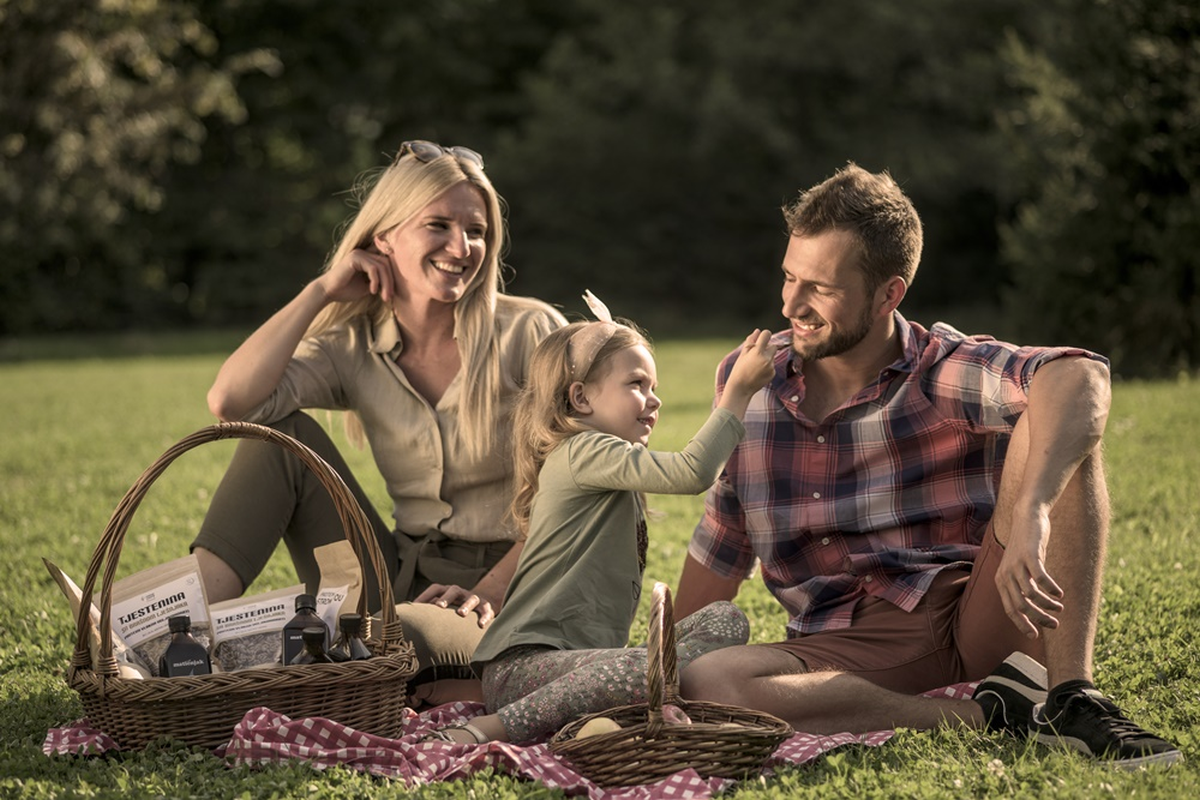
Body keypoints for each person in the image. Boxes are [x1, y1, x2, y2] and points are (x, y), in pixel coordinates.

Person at [675, 163, 1182, 768]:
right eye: (789, 278)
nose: (792, 304)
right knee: (711, 683)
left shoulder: (940, 370)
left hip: (983, 616)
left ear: (889, 293)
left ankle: (1073, 695)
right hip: (842, 648)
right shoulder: (749, 378)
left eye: (822, 288)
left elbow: (1081, 374)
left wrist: (1034, 511)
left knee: (1057, 417)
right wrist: (665, 668)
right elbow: (726, 531)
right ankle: (991, 714)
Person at [192, 140, 566, 704]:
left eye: (477, 231)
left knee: (399, 637)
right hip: (395, 573)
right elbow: (232, 403)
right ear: (383, 237)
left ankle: (316, 659)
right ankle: (176, 638)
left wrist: (489, 591)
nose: (462, 247)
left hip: (508, 584)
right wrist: (320, 292)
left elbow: (577, 484)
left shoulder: (531, 333)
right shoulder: (353, 344)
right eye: (438, 224)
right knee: (281, 441)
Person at [427, 299, 778, 744]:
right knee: (647, 667)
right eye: (637, 383)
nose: (655, 399)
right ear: (580, 397)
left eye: (654, 386)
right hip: (525, 669)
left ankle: (632, 704)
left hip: (584, 668)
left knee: (725, 621)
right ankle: (489, 728)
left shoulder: (606, 466)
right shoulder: (582, 450)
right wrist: (739, 392)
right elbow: (693, 472)